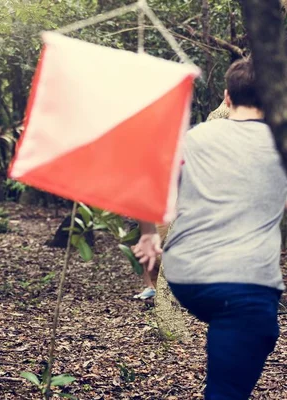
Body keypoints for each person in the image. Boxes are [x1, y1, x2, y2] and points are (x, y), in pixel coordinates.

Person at [134, 58, 286, 400]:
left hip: (186, 276)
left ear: (227, 97)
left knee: (237, 324)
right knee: (247, 344)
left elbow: (147, 180)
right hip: (243, 282)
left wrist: (147, 234)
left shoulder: (193, 137)